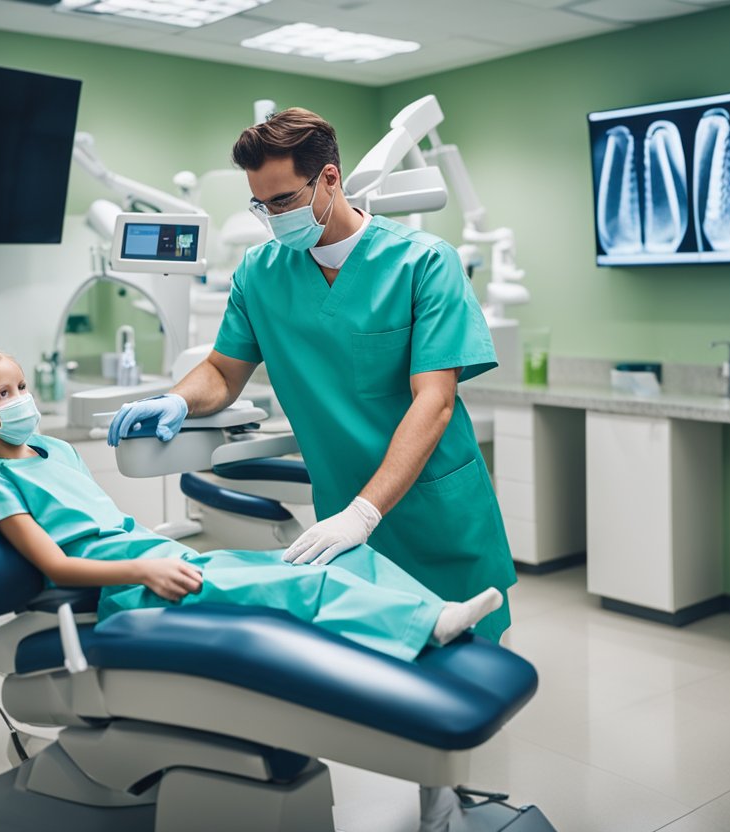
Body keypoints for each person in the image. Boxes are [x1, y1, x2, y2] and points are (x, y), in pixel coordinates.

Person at [108, 107, 516, 642]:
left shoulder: (424, 264)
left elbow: (434, 402)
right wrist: (179, 401)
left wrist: (366, 513)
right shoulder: (260, 272)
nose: (274, 218)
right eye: (261, 205)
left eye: (283, 201)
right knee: (374, 675)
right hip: (339, 515)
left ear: (329, 178)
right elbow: (223, 371)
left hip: (434, 508)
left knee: (473, 672)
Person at [0, 348, 502, 663]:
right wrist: (145, 570)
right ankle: (423, 626)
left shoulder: (53, 448)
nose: (20, 401)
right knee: (294, 586)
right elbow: (57, 567)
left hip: (156, 554)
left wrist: (156, 554)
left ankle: (437, 617)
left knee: (332, 558)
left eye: (21, 387)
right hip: (132, 582)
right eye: (2, 396)